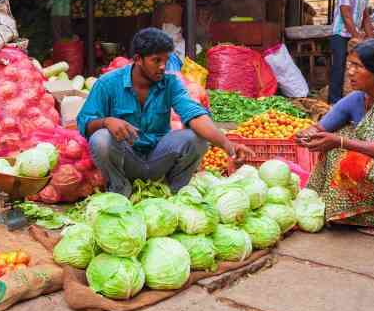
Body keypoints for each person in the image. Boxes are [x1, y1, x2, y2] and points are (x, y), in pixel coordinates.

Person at [76, 28, 251, 196]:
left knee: (197, 138)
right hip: (126, 159)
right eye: (156, 60)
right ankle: (120, 189)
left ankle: (175, 191)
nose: (162, 66)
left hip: (159, 156)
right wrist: (106, 121)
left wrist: (229, 146)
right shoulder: (108, 83)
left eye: (165, 60)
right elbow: (85, 122)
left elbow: (194, 115)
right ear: (138, 59)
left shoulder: (171, 83)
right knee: (101, 139)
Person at [300, 39, 374, 238]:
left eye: (357, 66)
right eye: (350, 65)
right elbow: (322, 129)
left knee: (353, 158)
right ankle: (342, 209)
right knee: (337, 145)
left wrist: (341, 142)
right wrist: (308, 135)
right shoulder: (360, 97)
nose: (350, 72)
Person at [328, 0, 374, 104]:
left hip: (352, 33)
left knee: (359, 65)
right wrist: (356, 36)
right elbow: (346, 15)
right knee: (339, 65)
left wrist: (371, 39)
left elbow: (365, 16)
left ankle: (357, 99)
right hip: (339, 34)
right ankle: (334, 101)